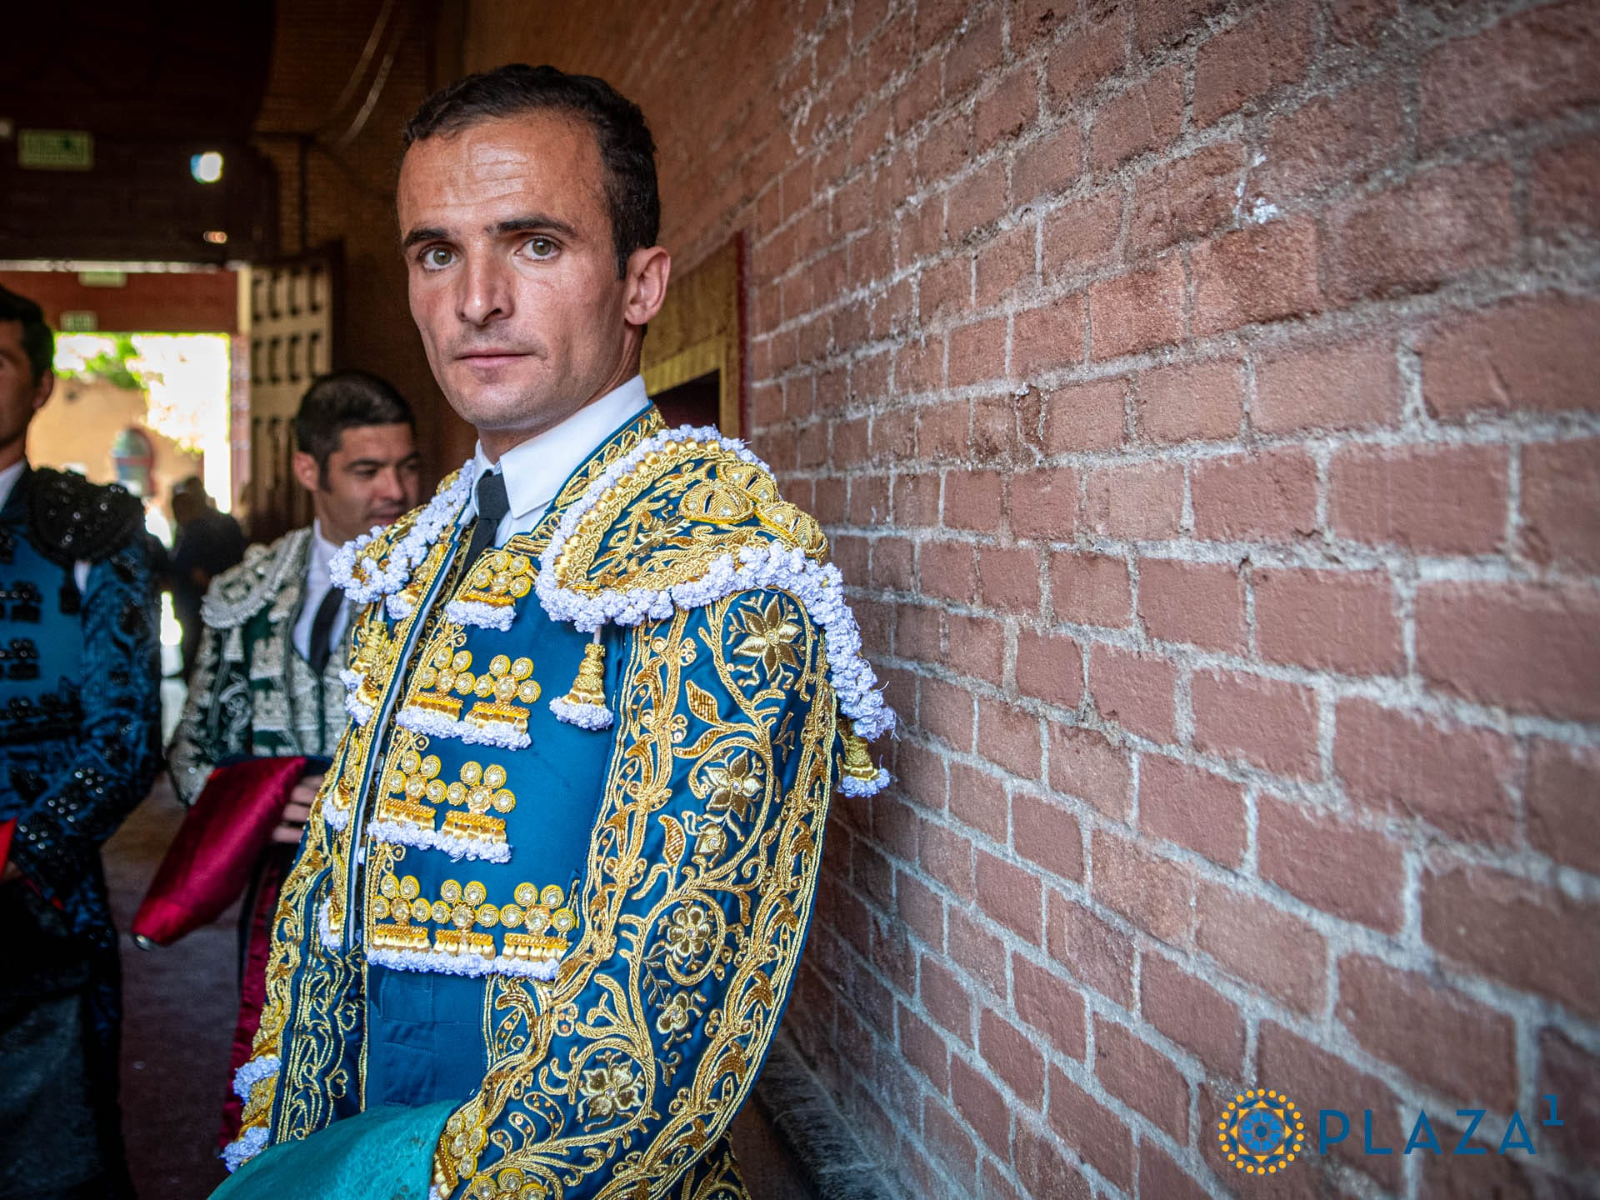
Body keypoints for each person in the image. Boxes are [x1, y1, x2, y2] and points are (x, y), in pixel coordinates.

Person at [218, 64, 894, 1199]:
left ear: (640, 285)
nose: (475, 298)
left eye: (533, 243)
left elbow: (645, 1040)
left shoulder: (714, 559)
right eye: (437, 252)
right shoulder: (434, 543)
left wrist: (356, 1181)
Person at [164, 369, 421, 1144]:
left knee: (401, 1090)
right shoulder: (247, 591)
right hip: (285, 897)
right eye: (367, 471)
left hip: (419, 888)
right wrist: (257, 808)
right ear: (310, 470)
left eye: (406, 467)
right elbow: (191, 758)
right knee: (280, 1086)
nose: (396, 490)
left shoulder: (460, 580)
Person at [0, 284, 161, 1199]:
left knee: (57, 1152)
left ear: (39, 387)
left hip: (41, 887)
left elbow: (127, 734)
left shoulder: (89, 529)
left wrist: (21, 849)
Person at [170, 475, 246, 676]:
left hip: (201, 600)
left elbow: (197, 571)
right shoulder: (189, 529)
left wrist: (216, 589)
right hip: (198, 599)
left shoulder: (201, 530)